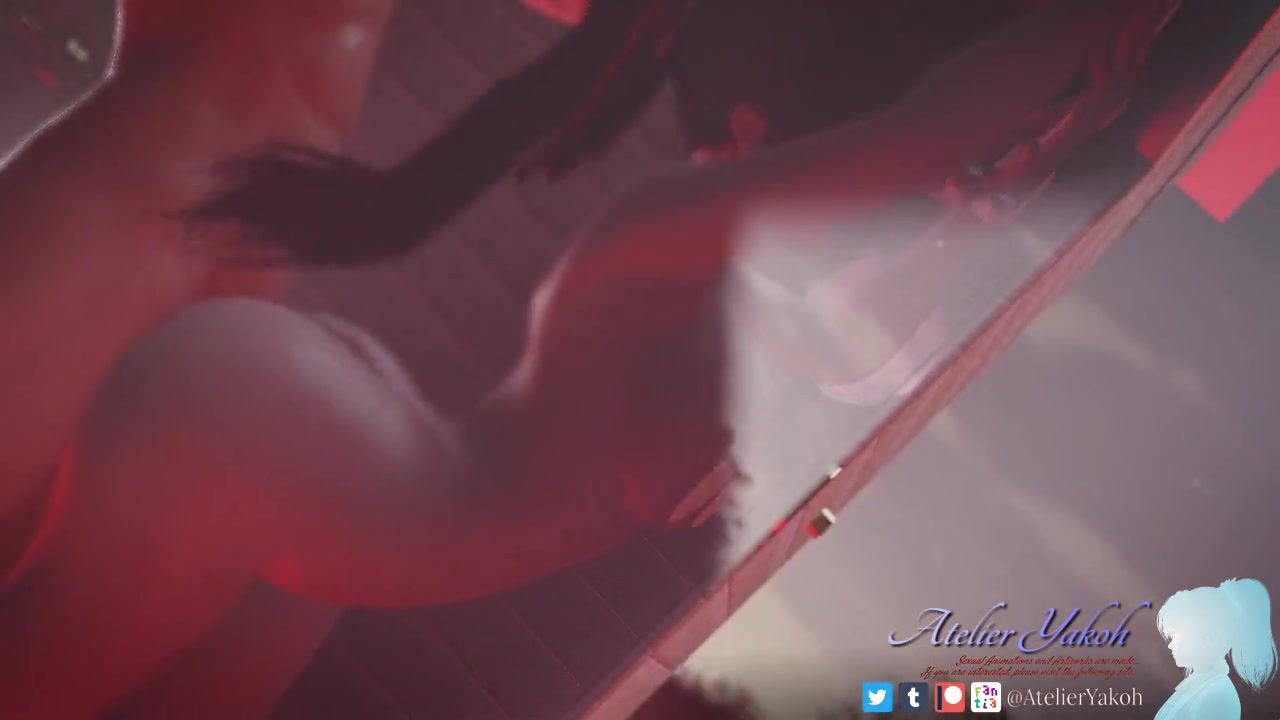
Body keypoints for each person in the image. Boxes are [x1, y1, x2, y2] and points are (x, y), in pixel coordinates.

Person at [0, 1, 1181, 717]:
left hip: (319, 465)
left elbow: (936, 147)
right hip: (264, 446)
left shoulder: (768, 285)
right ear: (752, 136)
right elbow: (926, 129)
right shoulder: (669, 240)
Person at [1156, 578, 1278, 720]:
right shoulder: (1200, 688)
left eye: (1176, 634)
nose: (1170, 645)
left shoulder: (1217, 697)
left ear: (1206, 637)